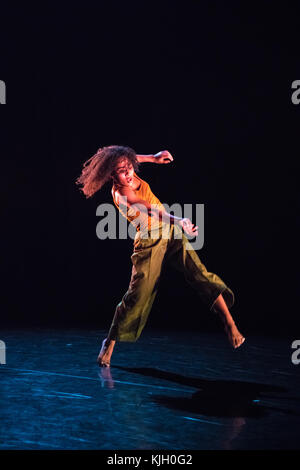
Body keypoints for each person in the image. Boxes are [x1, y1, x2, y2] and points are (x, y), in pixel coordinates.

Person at [76, 145, 245, 367]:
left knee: (198, 272)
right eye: (121, 171)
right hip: (148, 241)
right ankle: (110, 342)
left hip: (170, 233)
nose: (128, 173)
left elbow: (132, 158)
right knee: (138, 296)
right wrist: (180, 221)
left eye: (129, 168)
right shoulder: (122, 193)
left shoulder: (127, 168)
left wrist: (154, 158)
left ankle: (229, 322)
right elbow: (151, 210)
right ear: (111, 174)